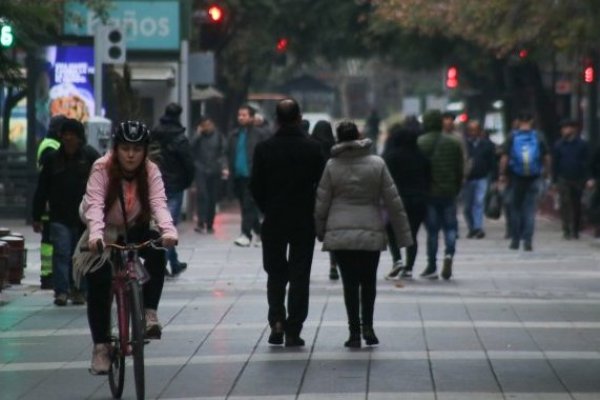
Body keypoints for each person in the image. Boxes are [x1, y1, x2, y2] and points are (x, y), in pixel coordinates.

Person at [74, 121, 178, 375]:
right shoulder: (101, 168)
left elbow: (158, 203)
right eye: (124, 148)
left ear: (144, 151)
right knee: (98, 279)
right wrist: (96, 236)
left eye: (136, 149)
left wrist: (168, 230)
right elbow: (95, 206)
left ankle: (149, 314)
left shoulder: (151, 171)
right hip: (104, 228)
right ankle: (101, 347)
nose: (130, 155)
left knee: (156, 251)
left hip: (135, 224)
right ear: (116, 149)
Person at [315, 121, 412, 348]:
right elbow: (393, 201)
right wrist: (404, 236)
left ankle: (354, 332)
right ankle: (368, 326)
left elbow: (322, 202)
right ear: (358, 136)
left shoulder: (331, 166)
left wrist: (320, 231)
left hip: (340, 233)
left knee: (349, 284)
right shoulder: (377, 164)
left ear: (338, 138)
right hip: (371, 231)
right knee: (368, 282)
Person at [250, 99, 325, 347]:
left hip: (274, 218)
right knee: (300, 275)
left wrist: (267, 207)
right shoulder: (314, 149)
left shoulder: (264, 149)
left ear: (277, 119)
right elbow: (322, 186)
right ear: (298, 117)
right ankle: (294, 328)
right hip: (303, 219)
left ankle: (277, 320)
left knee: (275, 272)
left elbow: (255, 186)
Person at [32, 118, 100, 306]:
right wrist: (36, 216)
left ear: (80, 138)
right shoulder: (52, 159)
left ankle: (78, 289)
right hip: (59, 215)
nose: (69, 138)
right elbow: (42, 189)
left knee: (80, 255)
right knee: (62, 252)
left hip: (83, 217)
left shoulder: (89, 157)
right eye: (66, 134)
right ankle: (61, 291)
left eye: (73, 135)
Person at [417, 110, 464, 280]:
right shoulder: (453, 142)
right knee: (450, 227)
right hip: (449, 191)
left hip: (429, 193)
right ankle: (449, 254)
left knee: (432, 231)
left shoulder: (421, 142)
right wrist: (457, 187)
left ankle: (431, 265)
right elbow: (459, 168)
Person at [150, 103, 194, 275]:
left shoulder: (155, 134)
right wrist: (188, 181)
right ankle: (164, 262)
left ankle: (173, 262)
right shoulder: (179, 138)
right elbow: (188, 163)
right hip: (175, 185)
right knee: (168, 226)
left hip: (156, 182)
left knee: (162, 225)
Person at [383, 123, 431, 279]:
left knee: (391, 231)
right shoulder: (422, 157)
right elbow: (428, 178)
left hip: (397, 199)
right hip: (418, 200)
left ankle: (397, 259)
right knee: (412, 234)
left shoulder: (391, 157)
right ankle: (409, 267)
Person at [499, 112, 551, 251]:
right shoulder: (539, 136)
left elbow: (504, 157)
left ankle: (515, 240)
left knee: (515, 208)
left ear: (518, 121)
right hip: (534, 176)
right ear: (532, 121)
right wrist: (546, 172)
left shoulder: (512, 136)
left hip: (516, 177)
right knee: (529, 209)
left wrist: (502, 174)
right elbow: (546, 157)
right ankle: (527, 240)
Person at [36, 115, 68, 289]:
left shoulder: (49, 144)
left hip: (51, 200)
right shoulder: (50, 147)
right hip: (51, 201)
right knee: (49, 240)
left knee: (50, 239)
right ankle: (47, 275)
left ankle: (49, 274)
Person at [228, 104, 266, 247]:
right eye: (239, 115)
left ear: (251, 117)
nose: (241, 118)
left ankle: (245, 234)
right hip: (238, 176)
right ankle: (261, 233)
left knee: (249, 205)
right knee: (245, 207)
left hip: (253, 175)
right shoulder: (234, 135)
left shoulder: (259, 134)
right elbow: (228, 153)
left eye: (244, 115)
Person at [311, 120, 339, 280]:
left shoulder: (310, 147)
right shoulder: (334, 149)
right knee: (332, 230)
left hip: (313, 193)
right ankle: (333, 264)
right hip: (332, 194)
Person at [552, 118, 589, 239]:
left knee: (577, 204)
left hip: (578, 177)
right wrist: (554, 180)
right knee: (565, 203)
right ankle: (566, 229)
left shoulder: (582, 144)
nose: (565, 130)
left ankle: (576, 229)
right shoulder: (558, 145)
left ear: (574, 129)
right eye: (563, 128)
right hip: (563, 177)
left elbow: (587, 162)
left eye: (567, 128)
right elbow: (555, 163)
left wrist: (587, 177)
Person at [191, 116, 227, 234]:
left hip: (215, 170)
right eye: (204, 125)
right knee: (202, 195)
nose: (207, 127)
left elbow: (223, 152)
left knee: (212, 198)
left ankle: (210, 223)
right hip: (200, 169)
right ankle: (201, 222)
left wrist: (224, 166)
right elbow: (190, 148)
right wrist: (197, 135)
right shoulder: (198, 137)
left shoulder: (219, 136)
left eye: (209, 124)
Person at [463, 120, 496, 239]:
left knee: (479, 202)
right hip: (467, 179)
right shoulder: (464, 145)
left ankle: (478, 227)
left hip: (482, 178)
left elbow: (492, 162)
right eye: (470, 130)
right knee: (467, 206)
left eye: (475, 130)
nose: (473, 132)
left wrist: (495, 179)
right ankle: (472, 227)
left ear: (479, 131)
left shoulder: (487, 144)